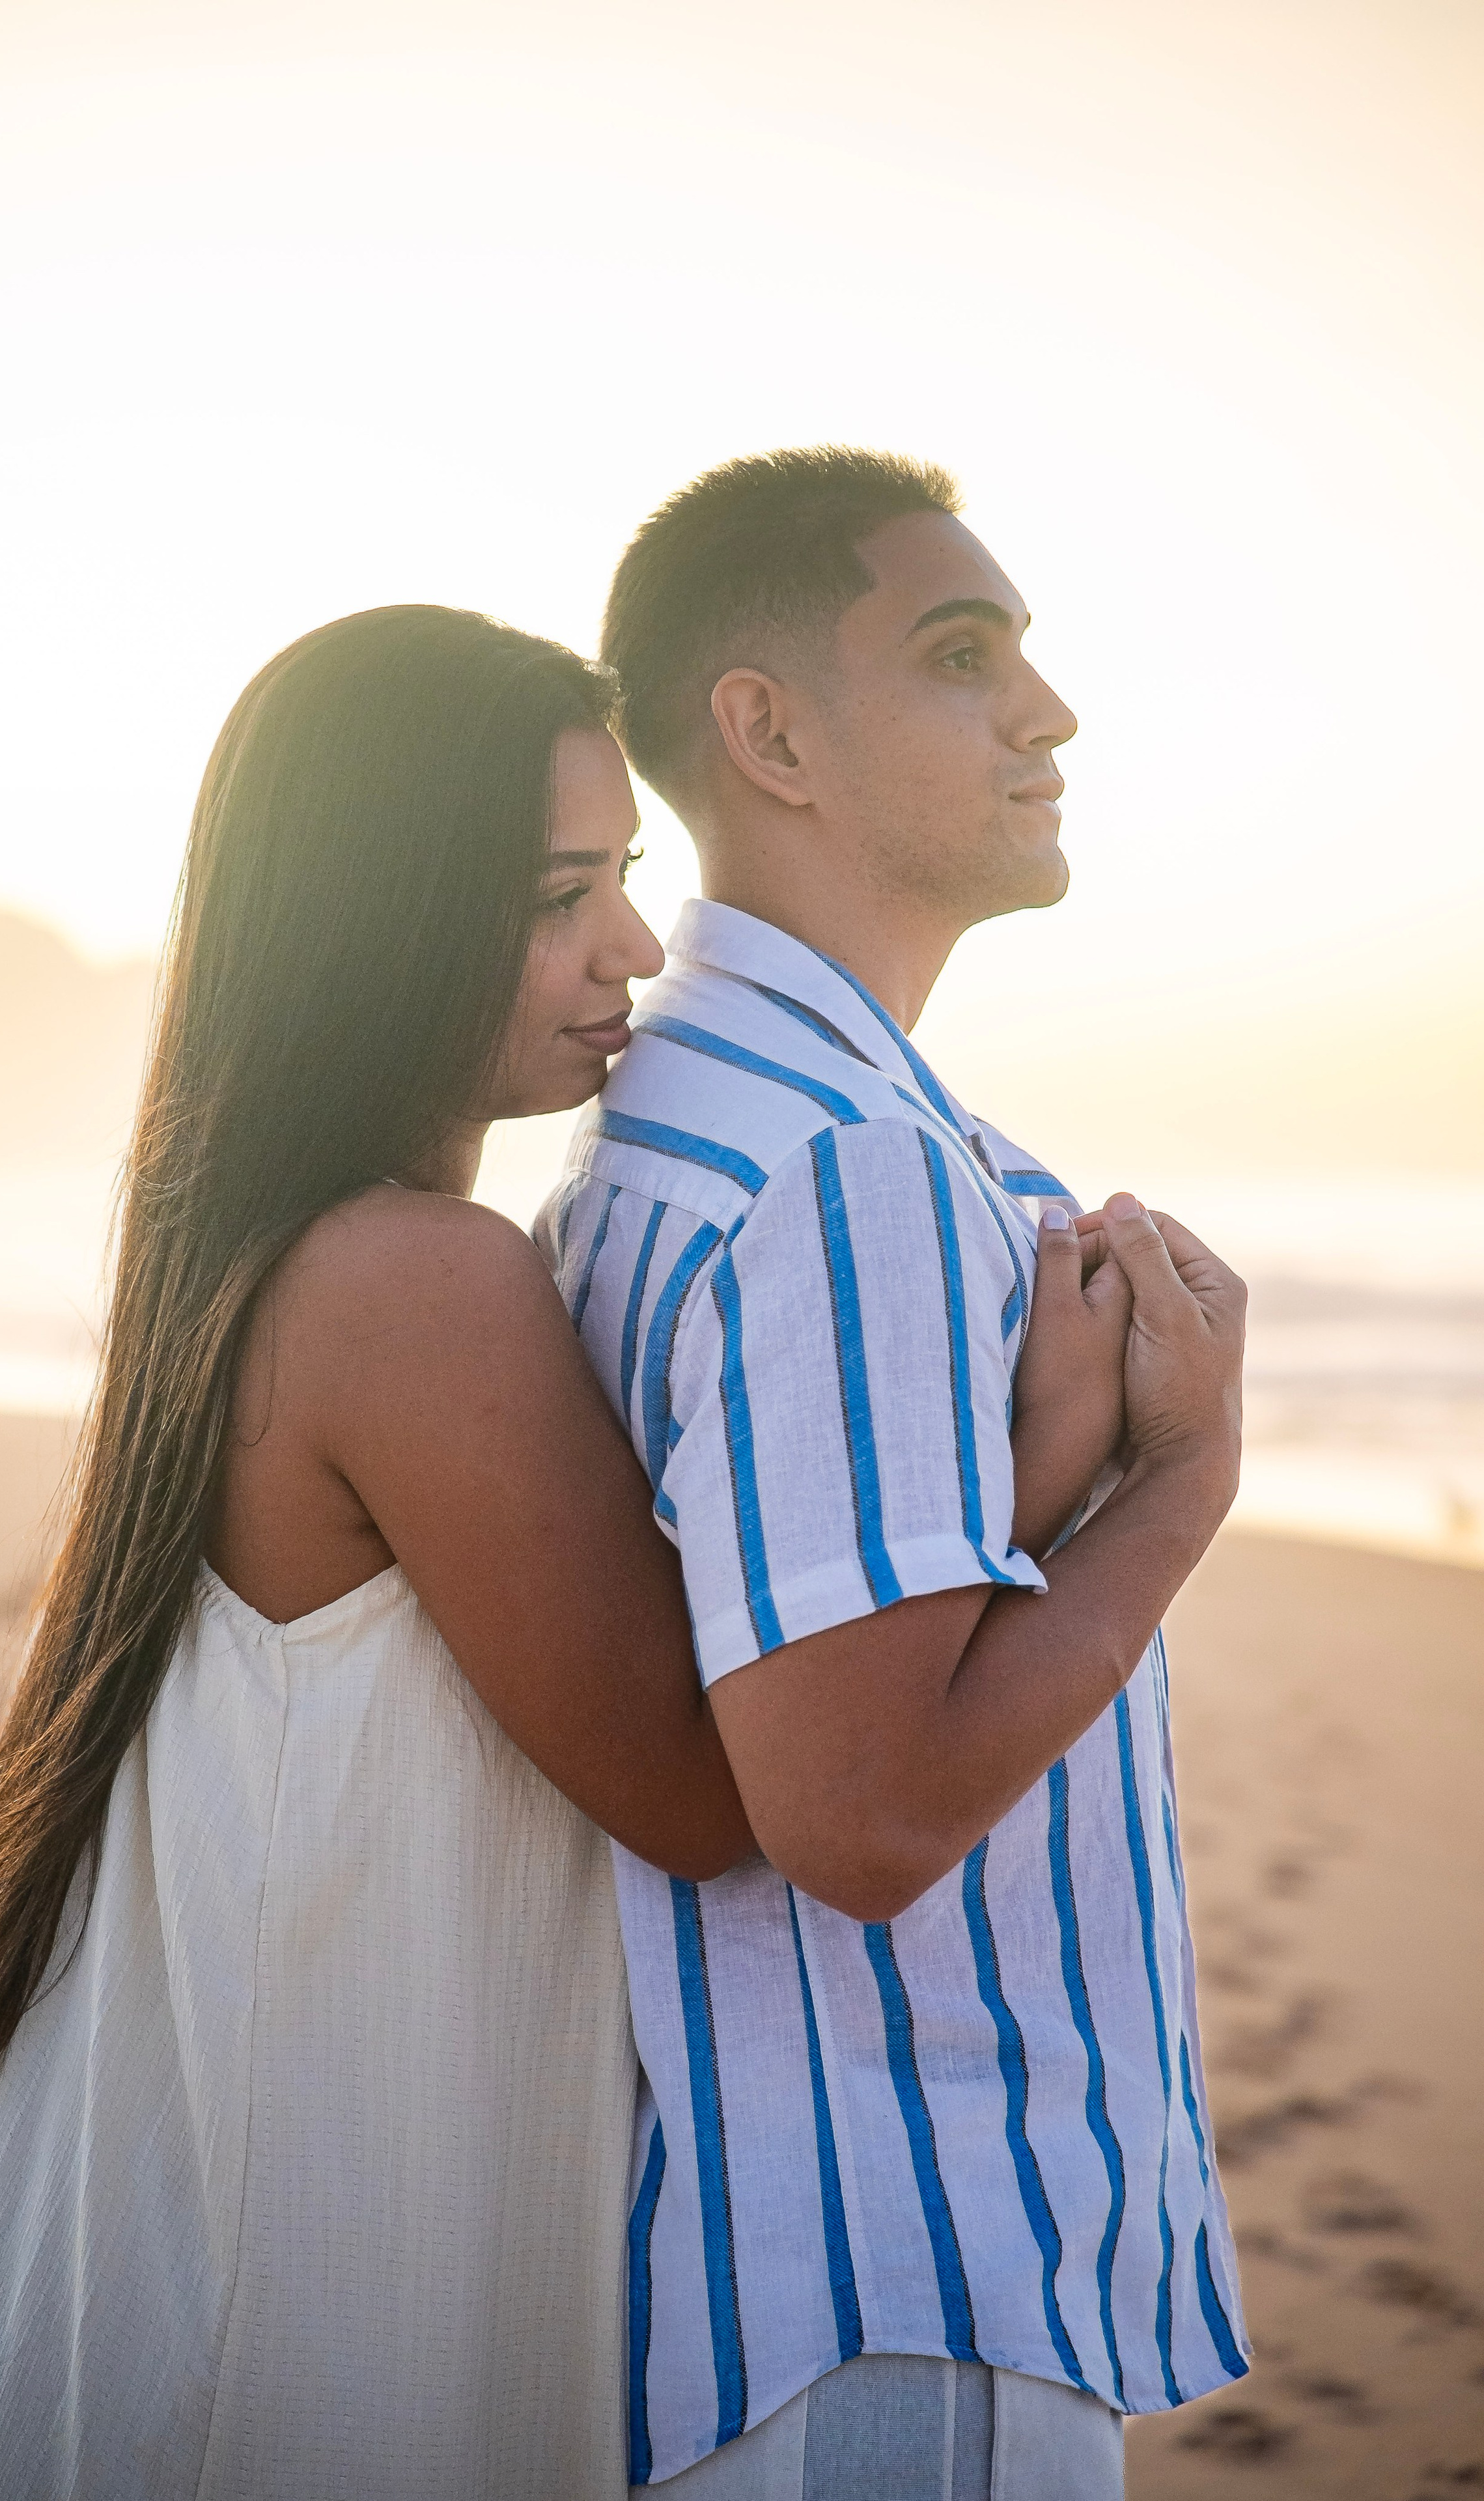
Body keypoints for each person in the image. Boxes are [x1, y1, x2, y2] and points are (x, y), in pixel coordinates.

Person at [0, 605, 763, 2501]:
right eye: (555, 892)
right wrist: (1107, 1481)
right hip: (288, 2306)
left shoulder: (255, 1261)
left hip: (162, 2253)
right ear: (383, 917)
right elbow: (704, 1789)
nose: (634, 949)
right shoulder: (414, 1282)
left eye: (627, 875)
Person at [539, 447, 1251, 2497]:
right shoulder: (843, 1169)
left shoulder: (693, 1120)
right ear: (767, 734)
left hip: (809, 2271)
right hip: (895, 2273)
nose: (1050, 711)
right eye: (963, 655)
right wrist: (1180, 1490)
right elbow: (854, 1809)